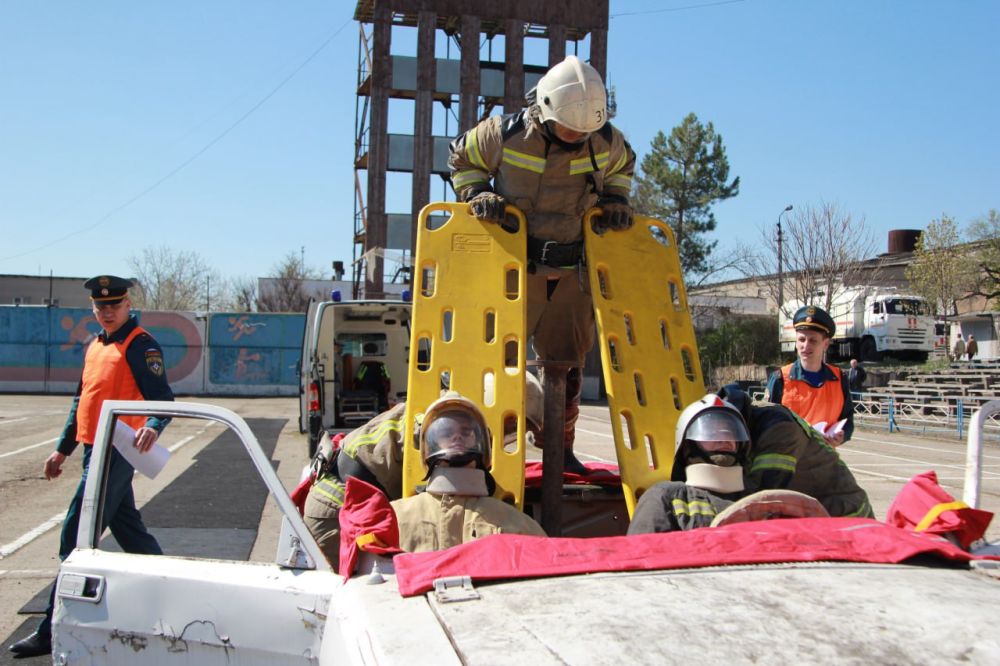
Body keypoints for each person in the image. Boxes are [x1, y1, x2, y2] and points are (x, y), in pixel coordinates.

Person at [448, 54, 636, 476]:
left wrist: (617, 201)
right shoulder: (504, 133)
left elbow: (623, 168)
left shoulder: (605, 140)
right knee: (492, 362)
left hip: (572, 270)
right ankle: (480, 452)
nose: (576, 135)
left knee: (567, 367)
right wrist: (477, 191)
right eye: (570, 127)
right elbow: (462, 159)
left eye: (584, 129)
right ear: (546, 109)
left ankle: (560, 451)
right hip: (514, 266)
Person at [9, 275, 174, 658]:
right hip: (90, 448)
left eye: (114, 305)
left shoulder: (140, 345)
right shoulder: (96, 345)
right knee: (131, 534)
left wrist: (152, 425)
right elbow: (81, 401)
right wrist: (61, 450)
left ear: (128, 304)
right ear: (92, 309)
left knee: (74, 537)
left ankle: (51, 629)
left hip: (115, 452)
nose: (107, 312)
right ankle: (174, 593)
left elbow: (161, 397)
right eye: (100, 307)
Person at [304, 373, 545, 567]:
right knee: (362, 585)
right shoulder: (438, 423)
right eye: (511, 424)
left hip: (359, 492)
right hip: (337, 505)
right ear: (494, 401)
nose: (510, 435)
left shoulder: (448, 415)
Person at [628, 388, 873, 535]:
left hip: (846, 519)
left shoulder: (778, 432)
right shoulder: (664, 497)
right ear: (687, 445)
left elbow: (770, 491)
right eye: (712, 431)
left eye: (731, 430)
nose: (725, 437)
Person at [390, 392, 545, 552]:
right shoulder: (394, 518)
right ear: (428, 445)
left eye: (466, 432)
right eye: (446, 433)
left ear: (483, 443)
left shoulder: (519, 525)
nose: (457, 437)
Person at [764, 305, 854, 446]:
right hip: (789, 460)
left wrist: (842, 436)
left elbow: (847, 420)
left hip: (824, 460)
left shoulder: (839, 378)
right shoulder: (780, 378)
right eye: (801, 340)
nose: (806, 346)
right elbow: (765, 423)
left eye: (813, 340)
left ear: (825, 344)